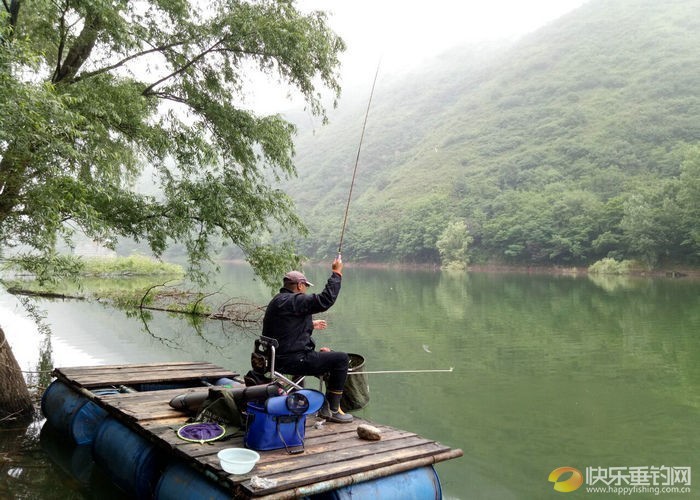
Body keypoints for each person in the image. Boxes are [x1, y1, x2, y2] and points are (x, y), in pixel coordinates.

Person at [261, 257, 352, 423]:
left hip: (276, 359)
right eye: (305, 287)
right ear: (299, 286)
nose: (305, 291)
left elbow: (286, 327)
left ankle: (299, 398)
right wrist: (336, 273)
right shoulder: (294, 300)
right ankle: (332, 410)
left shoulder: (277, 301)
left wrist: (310, 324)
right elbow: (325, 300)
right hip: (293, 361)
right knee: (341, 359)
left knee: (323, 356)